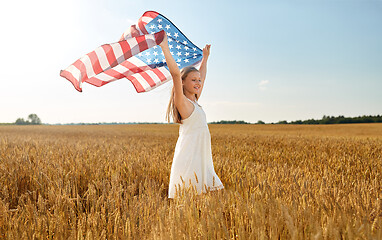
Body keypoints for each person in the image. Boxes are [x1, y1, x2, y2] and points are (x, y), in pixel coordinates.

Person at [158, 34, 224, 199]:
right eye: (193, 80)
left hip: (202, 156)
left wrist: (205, 58)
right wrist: (164, 47)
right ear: (183, 83)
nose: (198, 83)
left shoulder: (194, 100)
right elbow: (174, 74)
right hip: (190, 157)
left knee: (208, 194)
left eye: (199, 81)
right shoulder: (183, 103)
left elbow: (202, 75)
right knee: (190, 196)